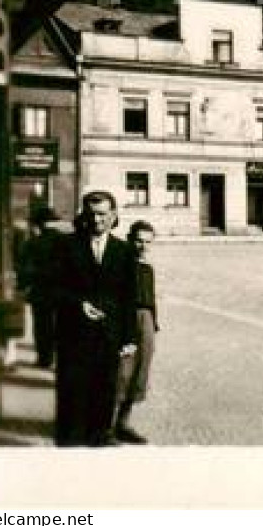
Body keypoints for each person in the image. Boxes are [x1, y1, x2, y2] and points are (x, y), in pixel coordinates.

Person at [52, 191, 138, 447]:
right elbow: (52, 287)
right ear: (84, 215)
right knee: (73, 385)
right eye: (91, 214)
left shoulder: (123, 250)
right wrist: (79, 305)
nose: (97, 220)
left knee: (105, 385)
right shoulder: (66, 245)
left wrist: (129, 336)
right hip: (74, 331)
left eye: (102, 214)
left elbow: (129, 297)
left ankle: (101, 435)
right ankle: (70, 439)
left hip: (109, 333)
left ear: (113, 216)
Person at [113, 221, 159, 444]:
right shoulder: (119, 264)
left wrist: (153, 325)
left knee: (141, 372)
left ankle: (123, 423)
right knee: (122, 372)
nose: (142, 246)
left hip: (146, 322)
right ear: (130, 239)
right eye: (139, 240)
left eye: (147, 242)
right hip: (125, 319)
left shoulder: (148, 269)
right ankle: (104, 426)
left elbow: (150, 300)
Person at [17, 208, 62, 368]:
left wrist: (23, 286)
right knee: (59, 325)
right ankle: (59, 359)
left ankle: (44, 358)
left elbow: (24, 268)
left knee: (42, 326)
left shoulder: (32, 243)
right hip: (61, 292)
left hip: (40, 292)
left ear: (38, 224)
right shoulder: (64, 241)